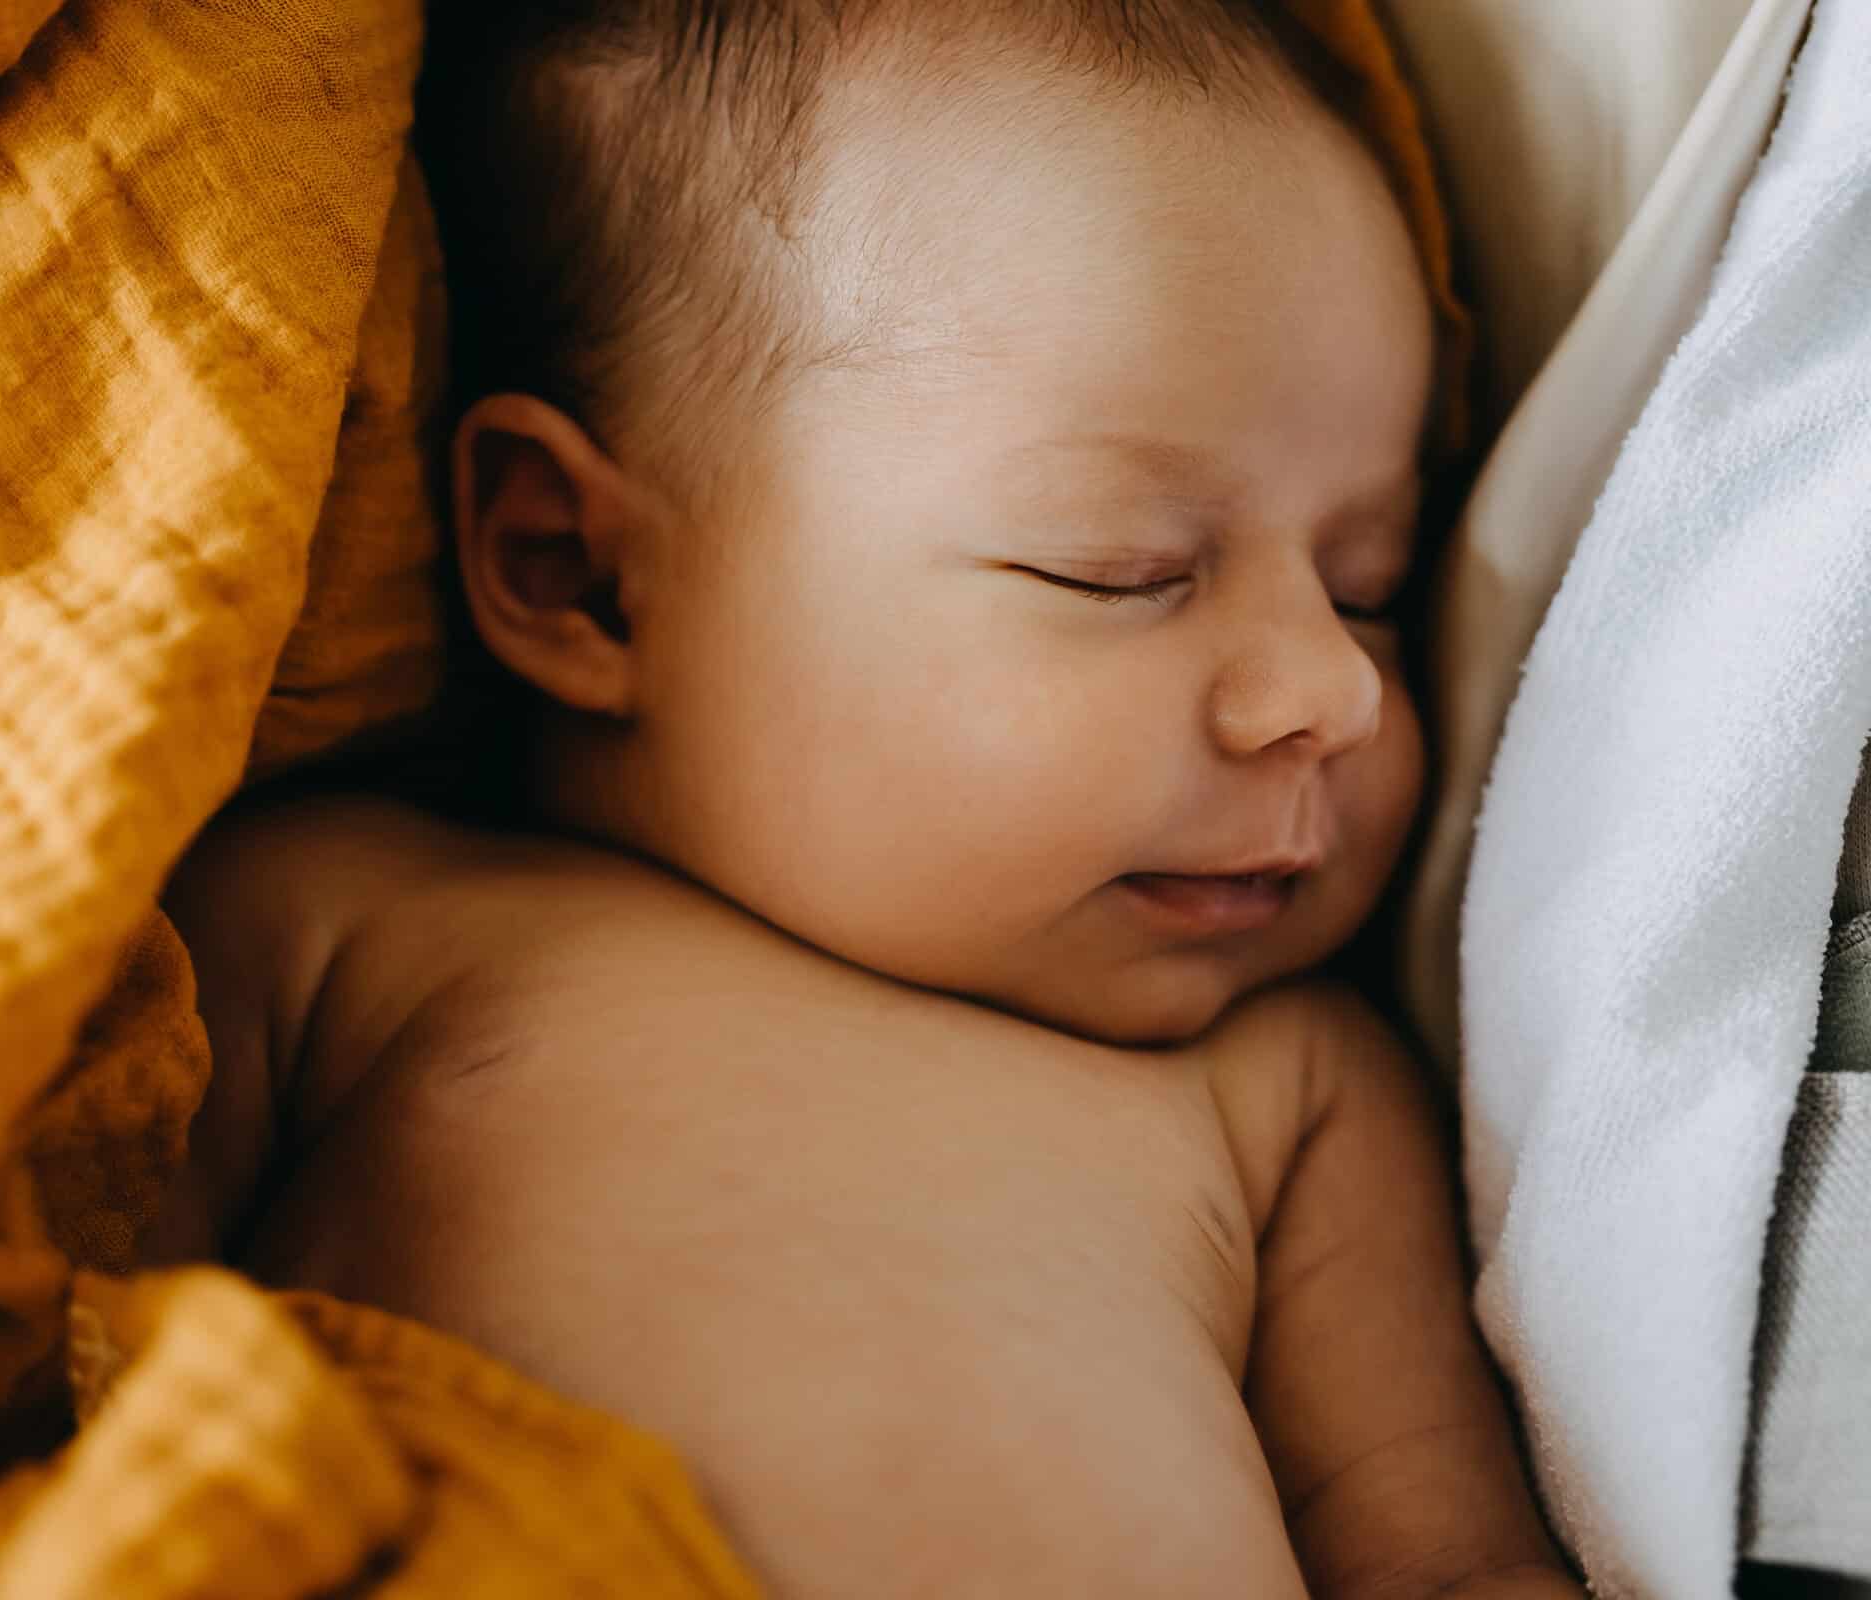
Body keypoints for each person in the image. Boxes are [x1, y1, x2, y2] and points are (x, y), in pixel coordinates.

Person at [150, 2, 1581, 1593]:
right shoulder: (343, 924)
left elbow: (1452, 1568)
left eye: (1367, 582)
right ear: (586, 576)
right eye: (1126, 570)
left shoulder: (1287, 1091)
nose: (1335, 692)